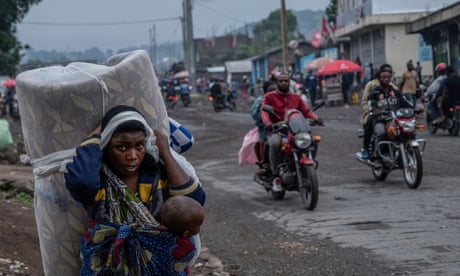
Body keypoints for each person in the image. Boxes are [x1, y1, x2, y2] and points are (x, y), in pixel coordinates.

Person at [64, 105, 206, 275]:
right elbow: (82, 182)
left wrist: (165, 152)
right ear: (107, 145)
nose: (132, 155)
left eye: (139, 146)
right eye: (122, 147)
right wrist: (96, 135)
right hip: (109, 266)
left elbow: (194, 200)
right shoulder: (100, 180)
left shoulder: (157, 175)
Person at [261, 72, 323, 191]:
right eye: (281, 81)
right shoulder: (269, 97)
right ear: (277, 83)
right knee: (274, 143)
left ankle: (306, 170)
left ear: (289, 83)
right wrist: (268, 123)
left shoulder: (296, 97)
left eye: (286, 81)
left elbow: (306, 111)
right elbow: (264, 111)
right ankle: (275, 176)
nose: (284, 83)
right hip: (278, 131)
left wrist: (316, 118)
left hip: (296, 132)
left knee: (313, 141)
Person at [356, 64, 406, 160]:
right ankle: (366, 149)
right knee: (376, 127)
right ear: (379, 75)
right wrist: (370, 110)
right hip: (376, 115)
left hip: (392, 117)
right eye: (384, 76)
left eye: (389, 75)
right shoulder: (372, 87)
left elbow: (402, 102)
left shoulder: (394, 89)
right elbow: (366, 101)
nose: (386, 79)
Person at [251, 80, 277, 170]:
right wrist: (265, 122)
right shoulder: (261, 100)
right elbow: (256, 114)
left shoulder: (281, 98)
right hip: (265, 127)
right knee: (265, 142)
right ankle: (264, 163)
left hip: (280, 126)